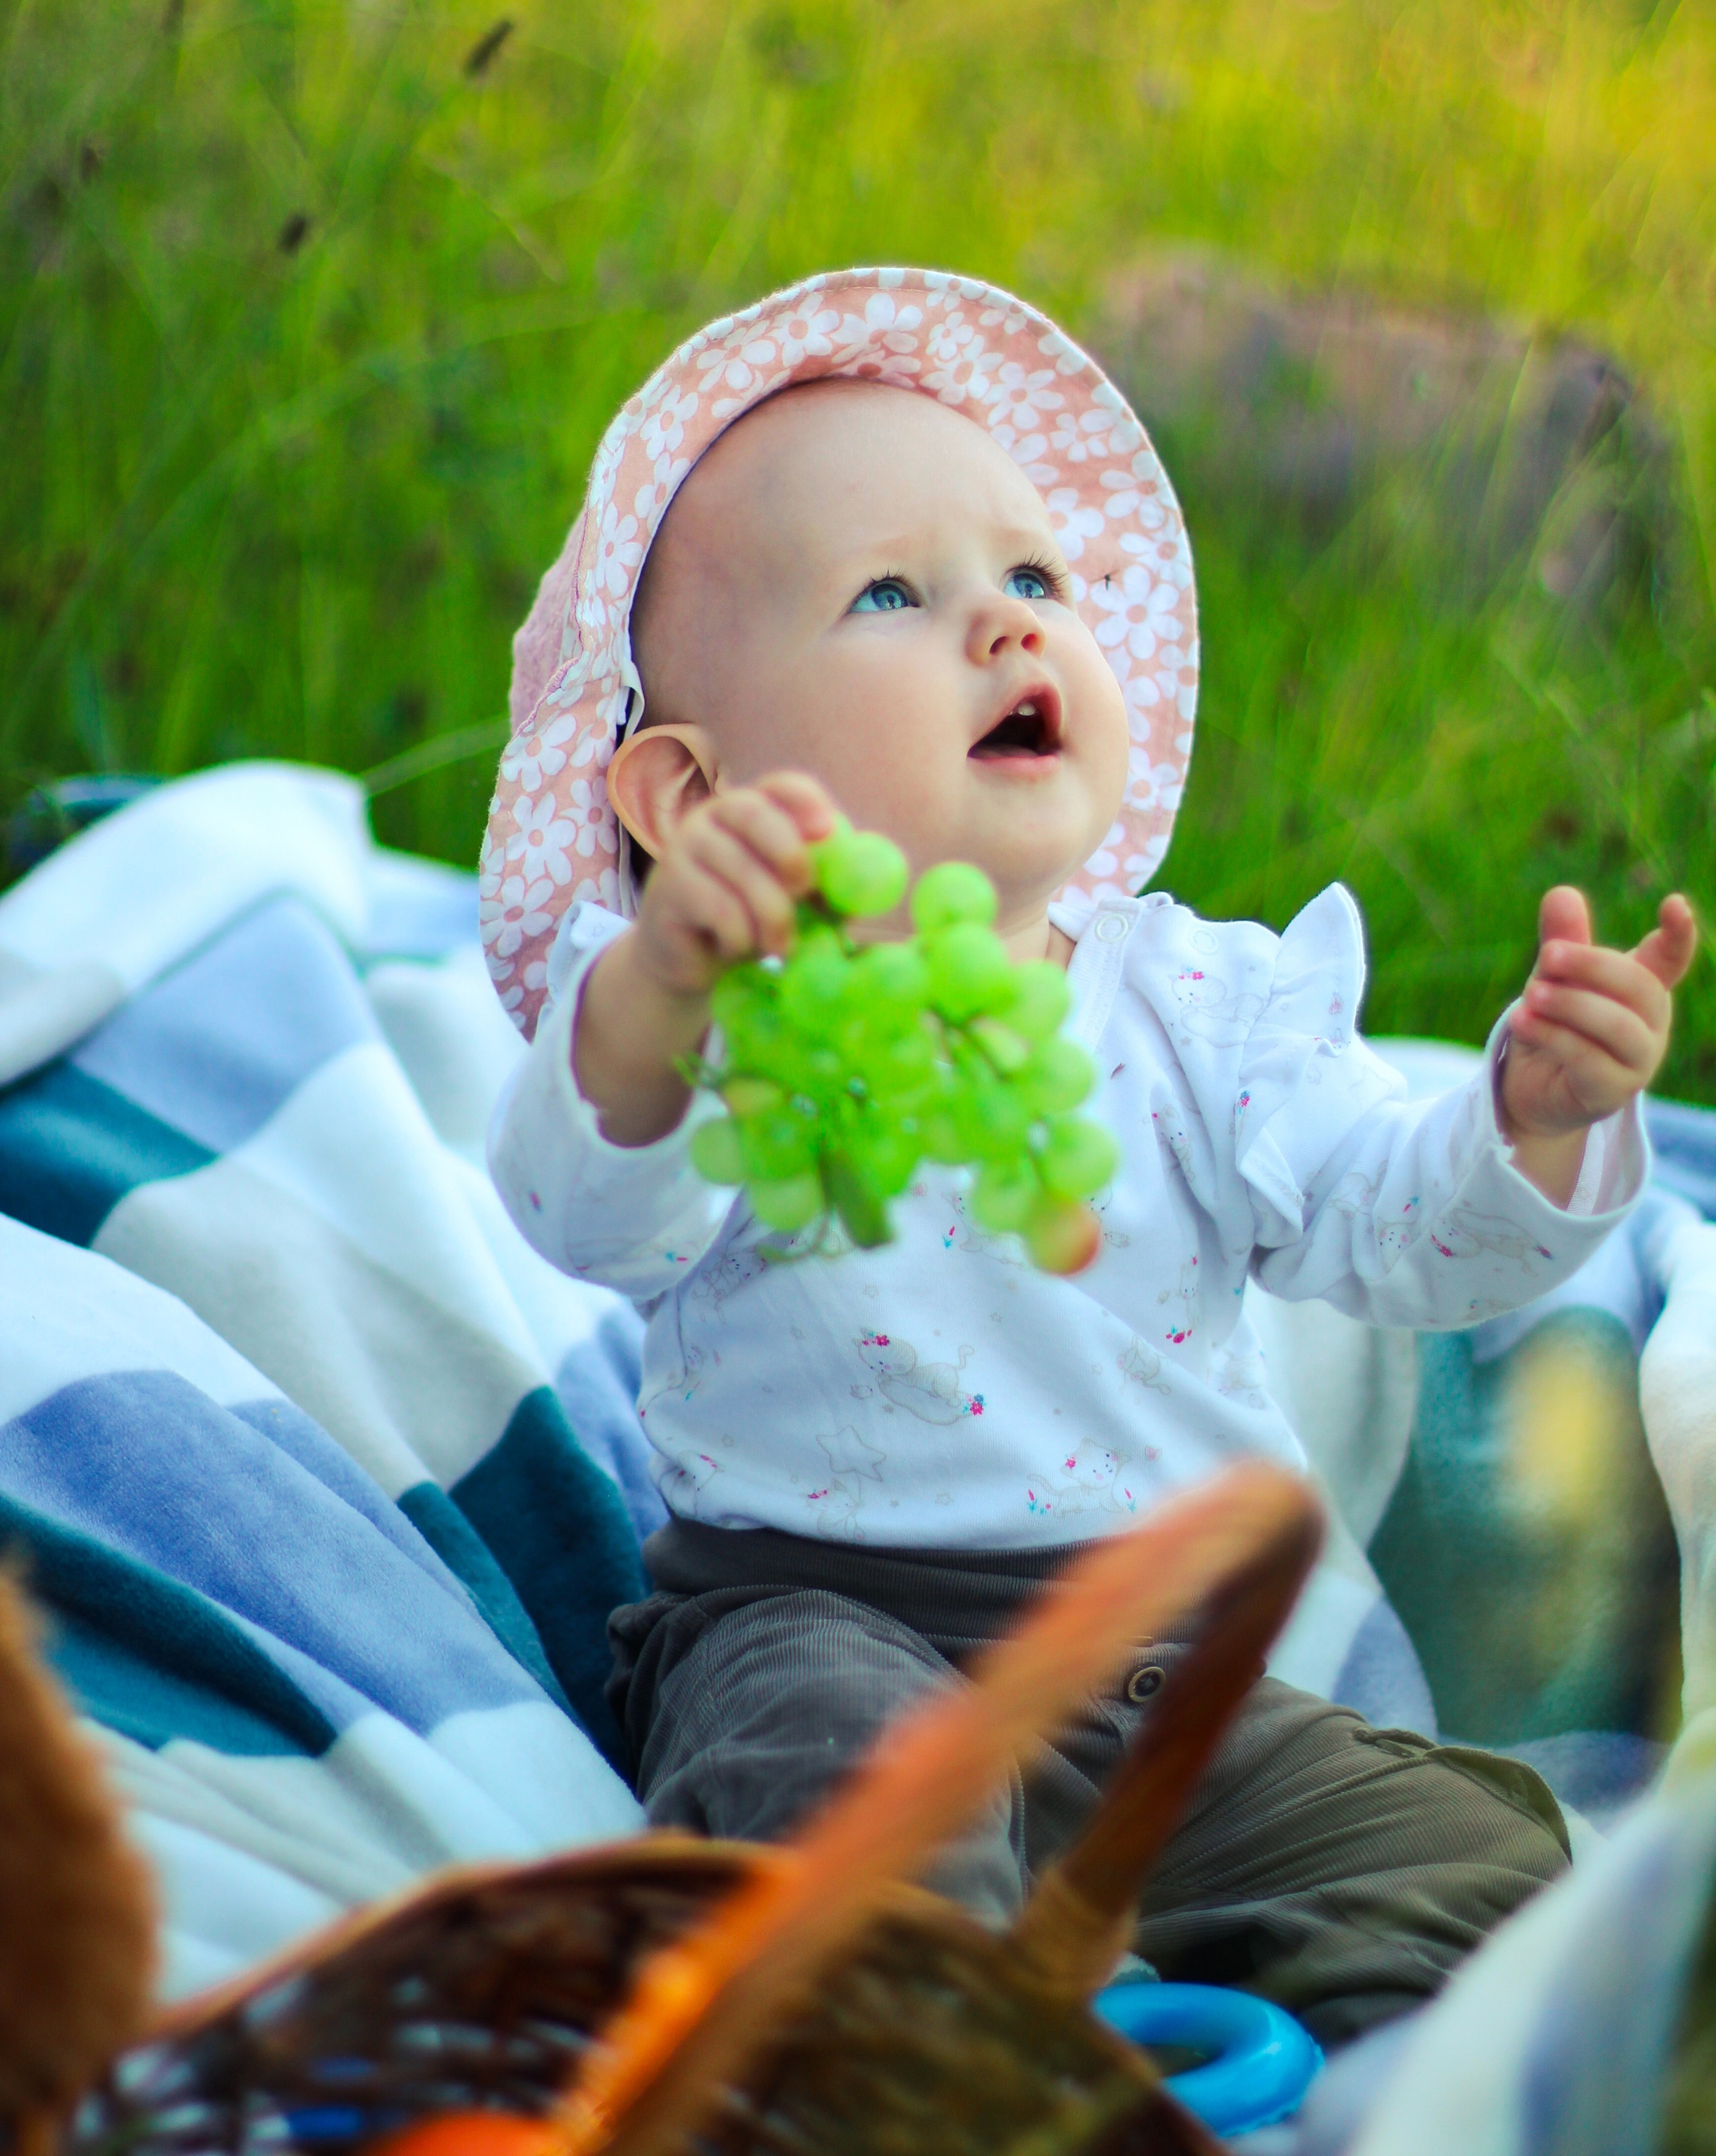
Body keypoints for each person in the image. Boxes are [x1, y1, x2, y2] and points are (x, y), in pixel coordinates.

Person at [483, 269, 1696, 2043]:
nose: (1008, 629)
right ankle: (927, 2056)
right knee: (830, 1828)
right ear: (687, 799)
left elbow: (1393, 1229)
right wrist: (660, 992)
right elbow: (588, 1209)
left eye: (1037, 579)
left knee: (1489, 1871)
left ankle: (1305, 2065)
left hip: (1160, 1682)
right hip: (812, 1618)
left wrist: (1533, 1123)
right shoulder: (747, 1018)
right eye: (895, 594)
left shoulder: (1202, 1005)